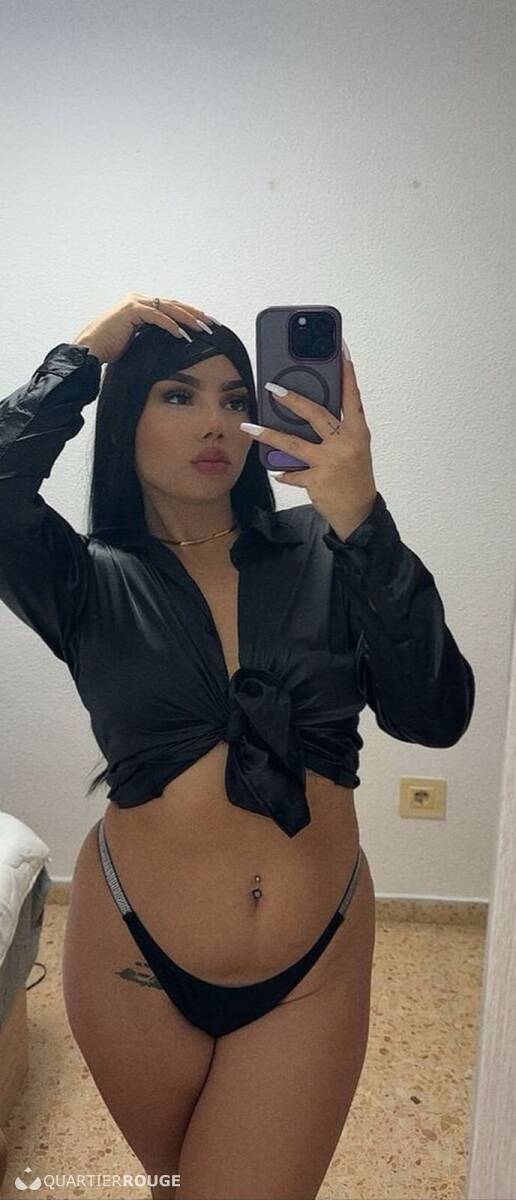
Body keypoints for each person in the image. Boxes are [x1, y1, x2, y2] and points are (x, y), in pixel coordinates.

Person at [0, 292, 475, 1200]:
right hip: (133, 956)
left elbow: (435, 712)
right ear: (127, 416)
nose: (215, 422)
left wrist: (363, 517)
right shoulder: (83, 579)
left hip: (313, 960)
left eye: (233, 397)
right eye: (178, 396)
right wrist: (85, 353)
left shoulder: (329, 545)